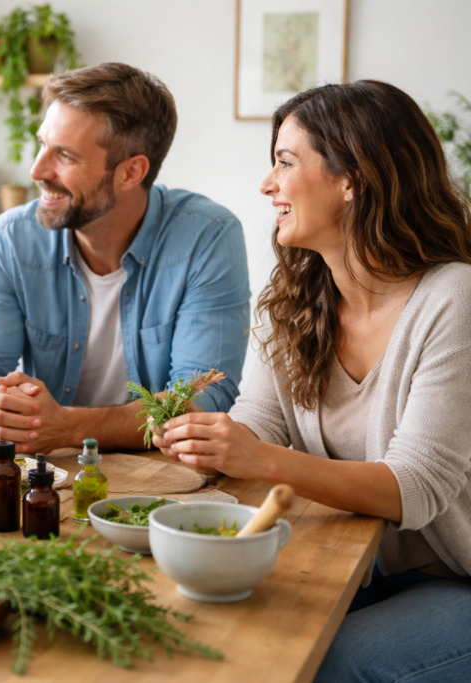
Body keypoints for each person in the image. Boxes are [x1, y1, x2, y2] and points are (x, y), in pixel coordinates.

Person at [155, 81, 471, 682]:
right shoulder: (297, 298)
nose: (267, 184)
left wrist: (262, 458)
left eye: (284, 161)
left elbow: (416, 488)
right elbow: (262, 422)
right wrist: (209, 441)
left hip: (455, 579)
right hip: (367, 566)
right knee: (220, 639)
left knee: (328, 666)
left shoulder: (454, 297)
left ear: (351, 180)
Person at [0, 62, 250, 454]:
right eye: (42, 144)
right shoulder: (14, 237)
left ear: (131, 172)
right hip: (50, 478)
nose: (37, 169)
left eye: (66, 156)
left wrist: (68, 427)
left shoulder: (207, 237)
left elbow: (201, 399)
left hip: (162, 482)